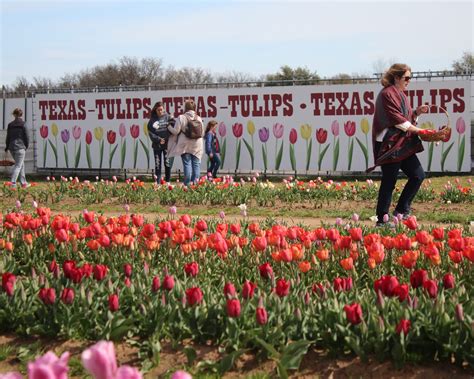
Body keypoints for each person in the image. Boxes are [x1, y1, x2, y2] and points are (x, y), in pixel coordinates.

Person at [371, 63, 429, 227]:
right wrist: (421, 131)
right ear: (396, 77)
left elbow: (406, 118)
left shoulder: (401, 94)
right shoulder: (387, 94)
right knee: (389, 182)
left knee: (418, 175)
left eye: (410, 78)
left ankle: (401, 211)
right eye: (406, 78)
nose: (409, 81)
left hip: (403, 144)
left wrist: (416, 112)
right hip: (389, 145)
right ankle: (382, 219)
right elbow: (398, 121)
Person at [167, 99, 204, 186]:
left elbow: (176, 131)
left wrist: (169, 127)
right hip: (197, 144)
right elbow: (202, 133)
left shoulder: (181, 117)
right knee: (196, 164)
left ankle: (187, 184)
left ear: (185, 108)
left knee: (187, 163)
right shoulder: (198, 118)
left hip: (185, 144)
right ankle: (196, 184)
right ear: (194, 108)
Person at [147, 101, 174, 184]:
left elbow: (173, 128)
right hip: (157, 145)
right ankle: (158, 182)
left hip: (167, 145)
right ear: (155, 110)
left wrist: (172, 119)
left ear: (164, 109)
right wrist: (158, 139)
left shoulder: (168, 117)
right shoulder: (152, 120)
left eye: (161, 110)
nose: (160, 111)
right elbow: (150, 133)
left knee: (167, 163)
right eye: (158, 110)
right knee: (158, 164)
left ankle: (168, 181)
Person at [5, 108, 30, 188]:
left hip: (12, 147)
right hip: (20, 147)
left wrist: (7, 146)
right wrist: (26, 146)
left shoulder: (10, 125)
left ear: (14, 114)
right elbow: (27, 136)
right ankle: (13, 183)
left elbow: (8, 137)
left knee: (21, 164)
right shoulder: (23, 124)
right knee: (18, 165)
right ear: (21, 115)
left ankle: (23, 183)